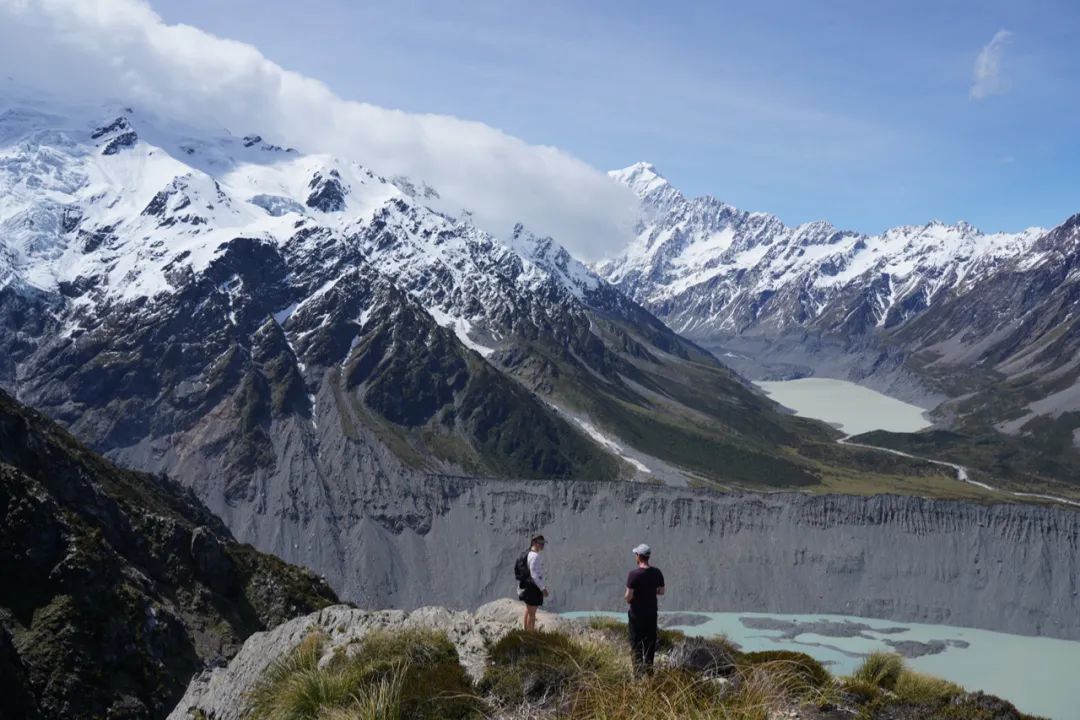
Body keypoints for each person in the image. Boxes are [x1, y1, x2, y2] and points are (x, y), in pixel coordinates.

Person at [625, 543, 665, 674]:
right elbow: (661, 591)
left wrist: (633, 598)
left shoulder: (634, 575)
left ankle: (637, 676)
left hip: (636, 616)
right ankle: (649, 676)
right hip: (651, 614)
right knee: (649, 645)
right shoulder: (657, 572)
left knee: (636, 645)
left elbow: (628, 596)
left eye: (636, 554)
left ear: (639, 556)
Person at [520, 534, 549, 631]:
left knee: (528, 611)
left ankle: (526, 631)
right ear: (534, 543)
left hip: (527, 586)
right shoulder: (535, 556)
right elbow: (535, 575)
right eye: (540, 543)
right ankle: (530, 636)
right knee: (532, 615)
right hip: (533, 587)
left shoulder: (529, 554)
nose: (542, 546)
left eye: (543, 543)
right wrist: (543, 589)